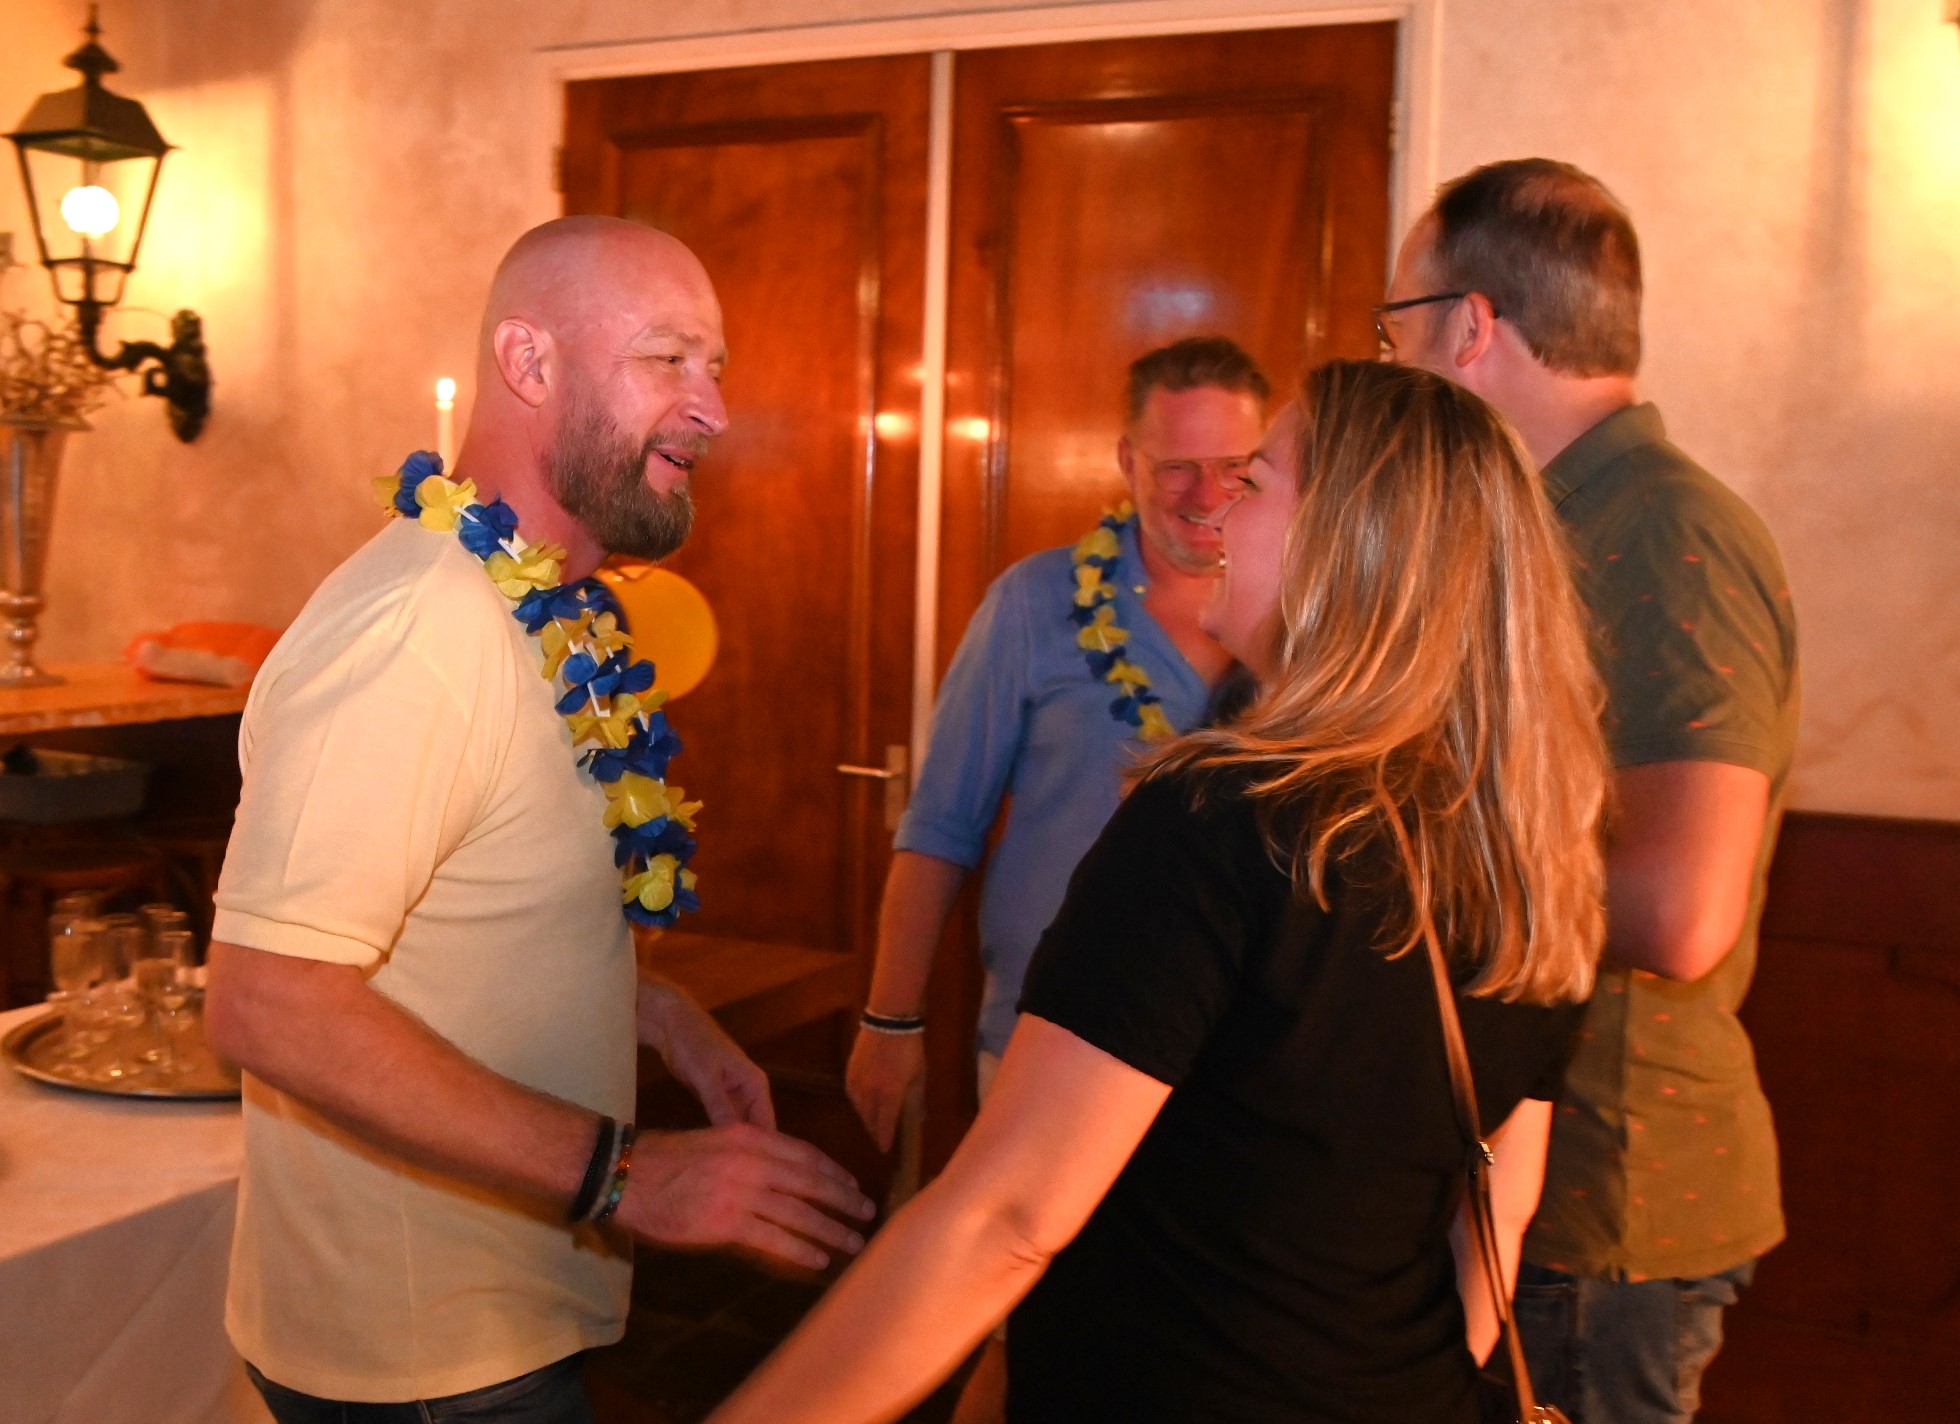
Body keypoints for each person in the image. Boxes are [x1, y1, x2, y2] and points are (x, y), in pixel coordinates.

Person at [707, 359, 1609, 1424]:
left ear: (1338, 542)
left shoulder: (1222, 814)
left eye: (1254, 479)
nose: (1217, 508)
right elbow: (1499, 1209)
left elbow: (1005, 1220)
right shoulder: (1530, 848)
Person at [204, 216, 874, 1423]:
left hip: (503, 1320)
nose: (713, 408)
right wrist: (629, 1172)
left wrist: (657, 1011)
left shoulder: (549, 610)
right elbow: (268, 999)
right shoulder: (418, 626)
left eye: (715, 366)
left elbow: (471, 918)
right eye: (667, 358)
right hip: (426, 1360)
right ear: (529, 362)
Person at [1380, 157, 1800, 1423]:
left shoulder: (1666, 531)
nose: (1390, 364)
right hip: (1509, 1163)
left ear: (1469, 327)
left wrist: (1389, 871)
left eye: (1395, 328)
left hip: (1605, 1190)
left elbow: (1677, 909)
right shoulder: (1538, 521)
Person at [845, 336, 1266, 1418]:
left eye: (1235, 467)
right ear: (1126, 460)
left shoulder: (1306, 627)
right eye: (1176, 465)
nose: (1205, 495)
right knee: (1023, 1328)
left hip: (1239, 1069)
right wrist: (890, 1018)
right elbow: (939, 826)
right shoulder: (1035, 604)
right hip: (1047, 1044)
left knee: (1183, 1359)